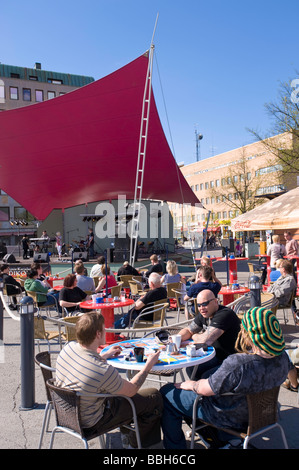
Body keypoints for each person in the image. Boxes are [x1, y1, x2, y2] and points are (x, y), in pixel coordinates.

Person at [160, 307, 292, 449]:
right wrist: (295, 385)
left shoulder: (239, 363)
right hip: (262, 414)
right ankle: (223, 439)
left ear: (247, 334)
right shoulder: (283, 357)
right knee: (205, 375)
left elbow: (204, 389)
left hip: (228, 416)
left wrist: (191, 384)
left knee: (168, 393)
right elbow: (292, 372)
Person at [55, 311, 163, 449]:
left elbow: (86, 364)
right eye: (104, 328)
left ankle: (127, 434)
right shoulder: (102, 370)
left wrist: (103, 355)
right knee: (153, 397)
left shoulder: (68, 348)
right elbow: (132, 389)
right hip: (92, 422)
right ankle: (139, 445)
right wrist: (149, 365)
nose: (106, 331)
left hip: (67, 414)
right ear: (98, 334)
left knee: (118, 394)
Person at [179, 289, 241, 380]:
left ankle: (205, 391)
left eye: (205, 304)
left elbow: (205, 341)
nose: (201, 308)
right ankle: (200, 392)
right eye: (199, 305)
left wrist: (194, 336)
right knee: (192, 368)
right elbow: (188, 330)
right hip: (216, 357)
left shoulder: (224, 314)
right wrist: (177, 338)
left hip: (233, 360)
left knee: (206, 376)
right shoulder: (204, 314)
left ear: (215, 301)